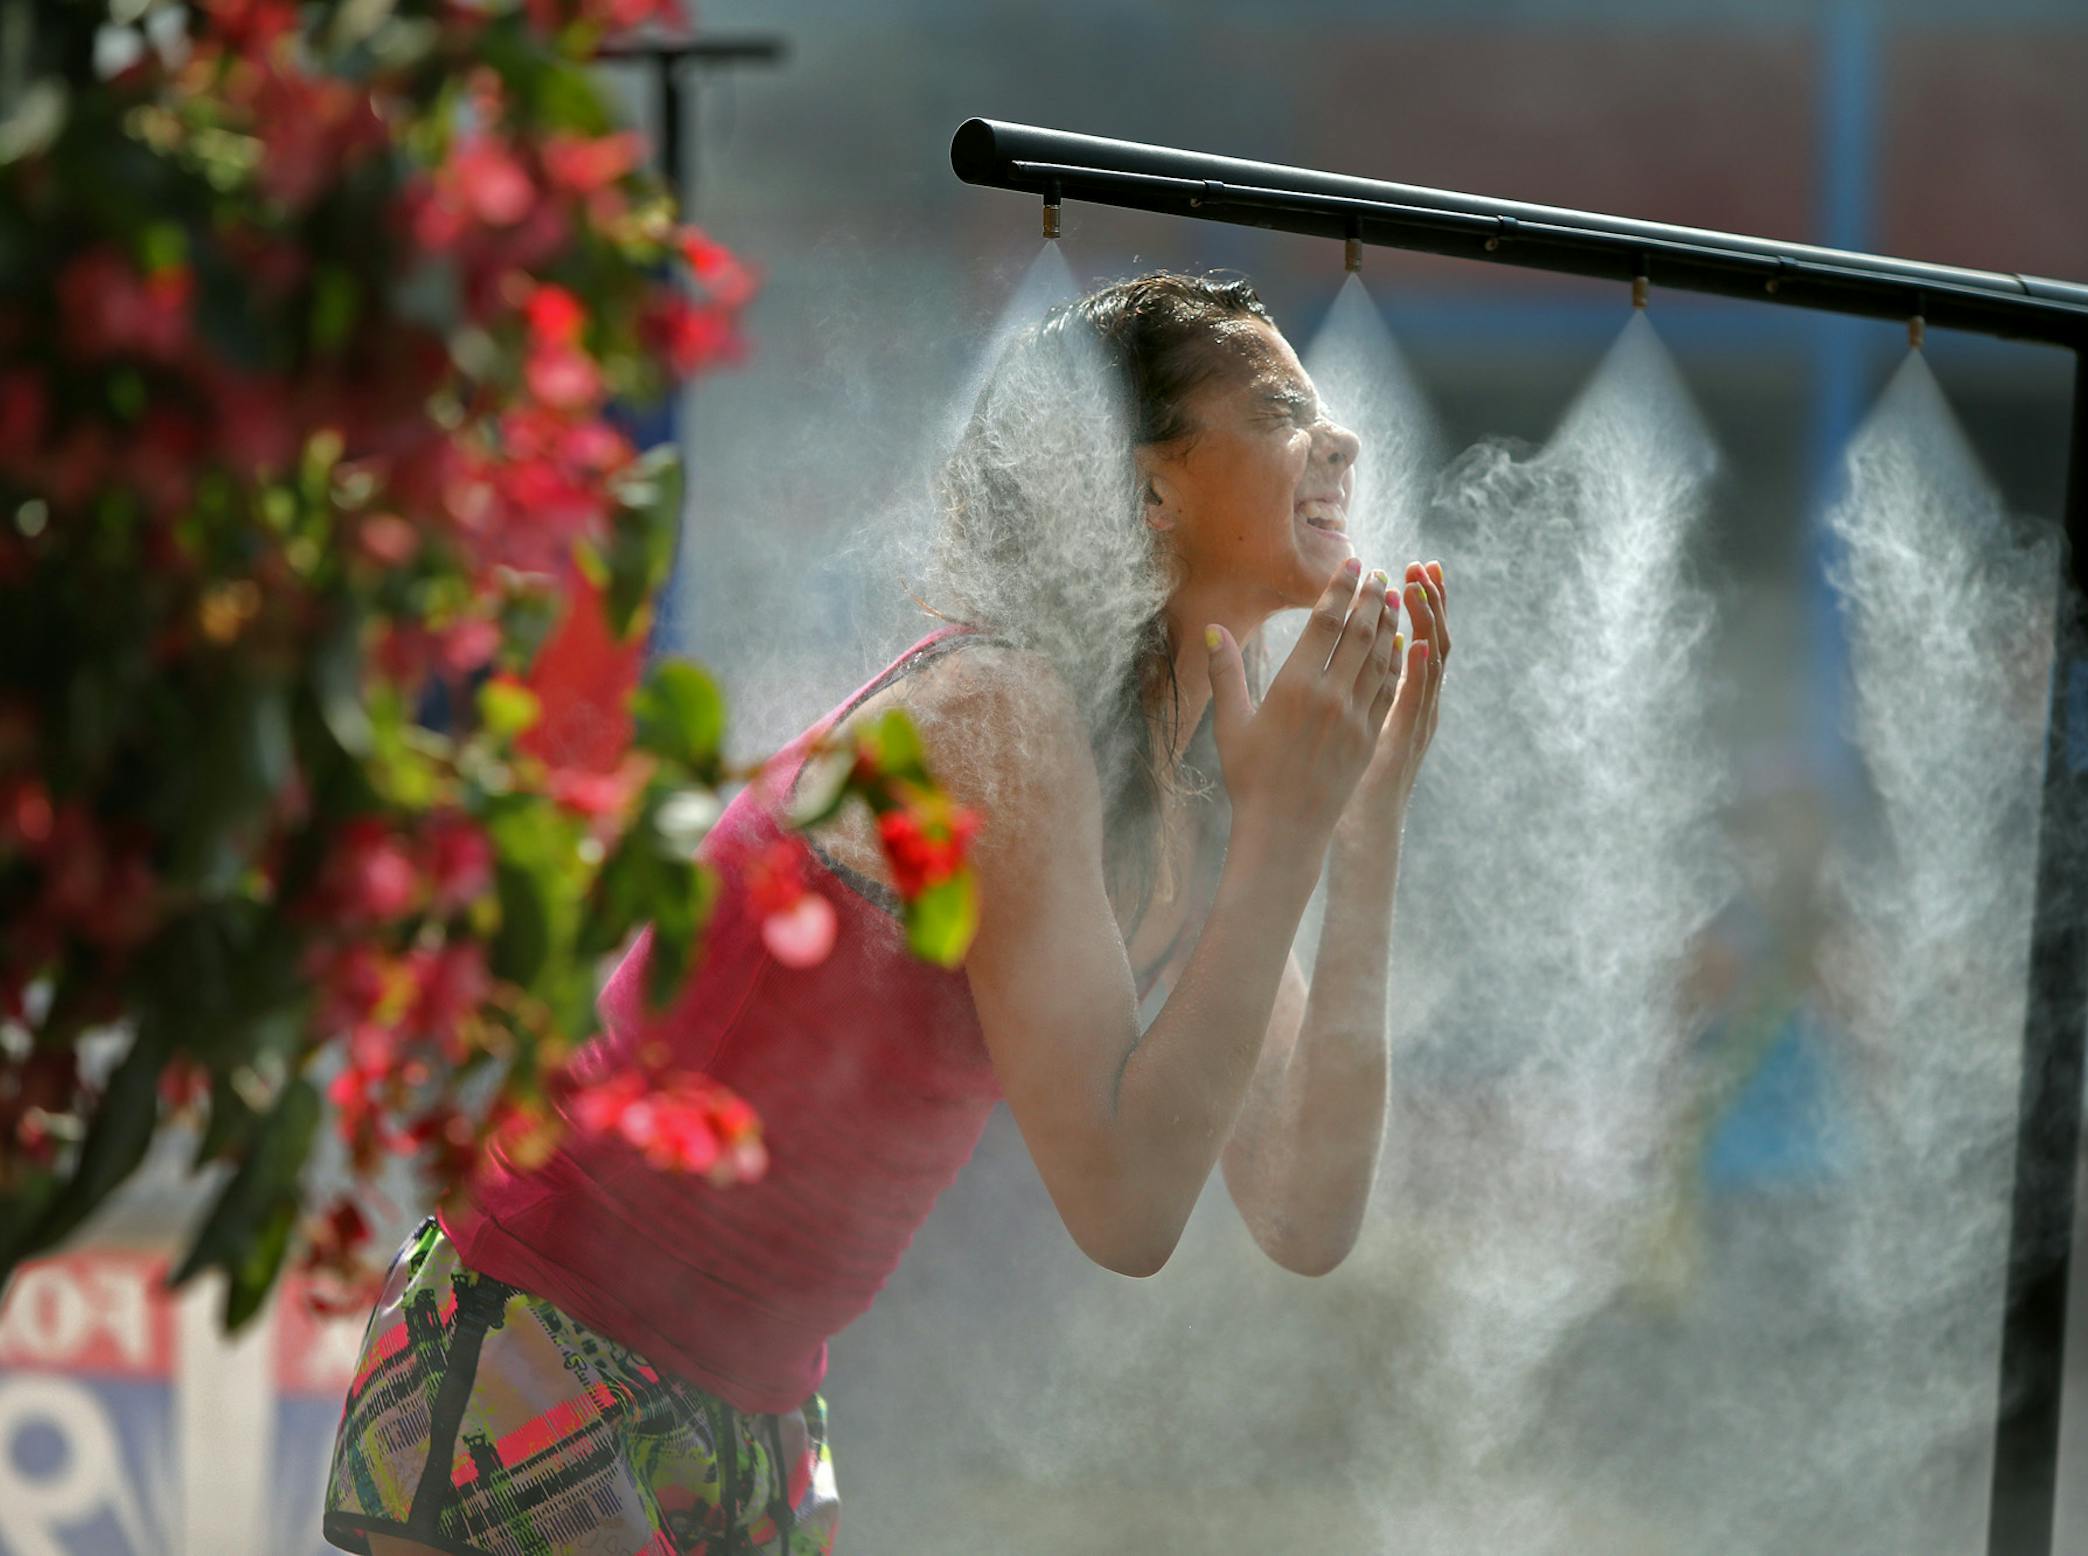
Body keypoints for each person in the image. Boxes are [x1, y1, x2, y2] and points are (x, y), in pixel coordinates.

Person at [322, 272, 1450, 1555]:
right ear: (1145, 492)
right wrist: (1289, 834)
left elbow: (1306, 1211)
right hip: (545, 1325)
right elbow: (1127, 1207)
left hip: (755, 1399)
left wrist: (1358, 839)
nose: (1343, 439)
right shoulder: (998, 716)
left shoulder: (1187, 789)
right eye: (1277, 407)